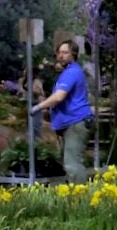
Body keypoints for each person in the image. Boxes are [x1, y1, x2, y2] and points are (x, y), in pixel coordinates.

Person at [29, 40, 93, 183]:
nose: (60, 56)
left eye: (65, 53)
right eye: (59, 53)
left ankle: (81, 199)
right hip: (71, 122)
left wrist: (38, 107)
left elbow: (59, 97)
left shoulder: (71, 73)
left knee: (72, 164)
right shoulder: (70, 71)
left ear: (74, 54)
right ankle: (74, 196)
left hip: (76, 122)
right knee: (69, 162)